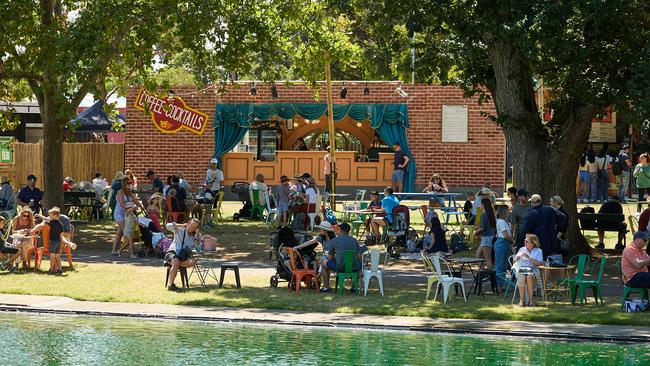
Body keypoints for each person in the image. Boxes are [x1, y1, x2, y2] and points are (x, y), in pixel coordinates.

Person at [31, 207, 74, 274]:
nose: (49, 217)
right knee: (57, 257)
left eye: (50, 215)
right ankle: (60, 269)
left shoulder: (52, 222)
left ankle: (52, 269)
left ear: (54, 216)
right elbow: (61, 235)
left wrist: (39, 215)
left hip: (53, 242)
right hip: (59, 242)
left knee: (52, 257)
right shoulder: (60, 224)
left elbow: (45, 219)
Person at [322, 223, 363, 293]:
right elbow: (359, 257)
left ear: (340, 230)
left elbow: (330, 258)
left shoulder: (335, 240)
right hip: (354, 267)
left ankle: (326, 287)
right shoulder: (354, 240)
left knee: (323, 263)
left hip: (340, 267)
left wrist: (336, 258)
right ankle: (354, 287)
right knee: (360, 264)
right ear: (348, 231)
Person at [111, 173, 144, 256]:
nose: (129, 184)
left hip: (127, 213)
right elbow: (123, 204)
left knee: (120, 232)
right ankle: (130, 252)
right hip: (119, 214)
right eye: (127, 183)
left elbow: (135, 200)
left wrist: (141, 207)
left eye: (130, 183)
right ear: (123, 183)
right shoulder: (120, 192)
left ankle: (114, 250)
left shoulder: (128, 192)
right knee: (128, 233)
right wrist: (133, 207)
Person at [165, 219, 202, 291]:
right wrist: (181, 225)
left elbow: (198, 249)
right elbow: (168, 226)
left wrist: (196, 237)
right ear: (188, 224)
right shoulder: (179, 229)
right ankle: (170, 285)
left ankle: (174, 264)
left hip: (184, 255)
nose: (192, 228)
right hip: (173, 252)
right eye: (191, 225)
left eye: (194, 227)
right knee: (176, 262)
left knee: (193, 262)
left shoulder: (196, 235)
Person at [513, 234, 544, 307]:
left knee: (529, 277)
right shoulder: (522, 249)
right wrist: (517, 258)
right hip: (522, 269)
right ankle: (521, 301)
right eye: (524, 240)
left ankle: (530, 300)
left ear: (533, 243)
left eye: (526, 241)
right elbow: (514, 261)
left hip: (533, 270)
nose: (525, 242)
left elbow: (539, 263)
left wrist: (529, 258)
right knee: (521, 277)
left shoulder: (538, 251)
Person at [494, 205, 514, 291]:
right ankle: (498, 285)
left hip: (504, 244)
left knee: (503, 265)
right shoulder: (501, 221)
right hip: (502, 243)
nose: (509, 212)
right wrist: (513, 240)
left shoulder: (504, 221)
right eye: (507, 210)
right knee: (500, 265)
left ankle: (501, 285)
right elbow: (505, 235)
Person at [475, 198, 496, 270]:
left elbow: (482, 228)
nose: (480, 206)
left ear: (483, 205)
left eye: (480, 204)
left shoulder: (484, 215)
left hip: (487, 238)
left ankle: (491, 275)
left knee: (488, 259)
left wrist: (476, 231)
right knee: (478, 255)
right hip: (490, 237)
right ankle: (482, 272)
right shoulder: (491, 214)